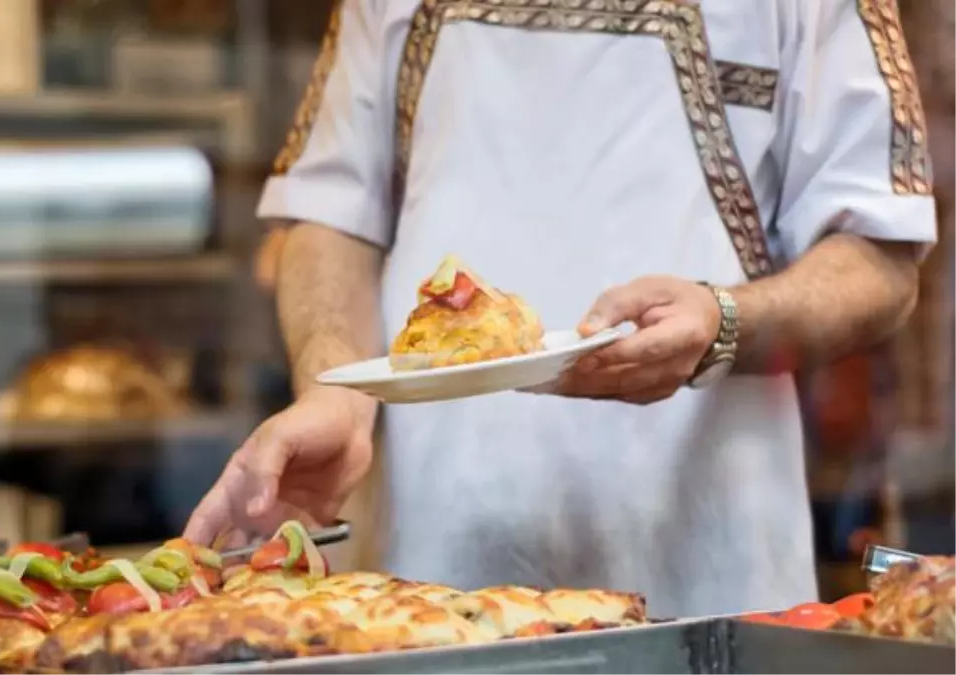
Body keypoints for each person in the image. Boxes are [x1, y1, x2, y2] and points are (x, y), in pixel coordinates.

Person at [185, 0, 937, 618]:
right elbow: (330, 215)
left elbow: (880, 257)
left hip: (710, 567)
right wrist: (333, 386)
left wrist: (725, 320)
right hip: (426, 577)